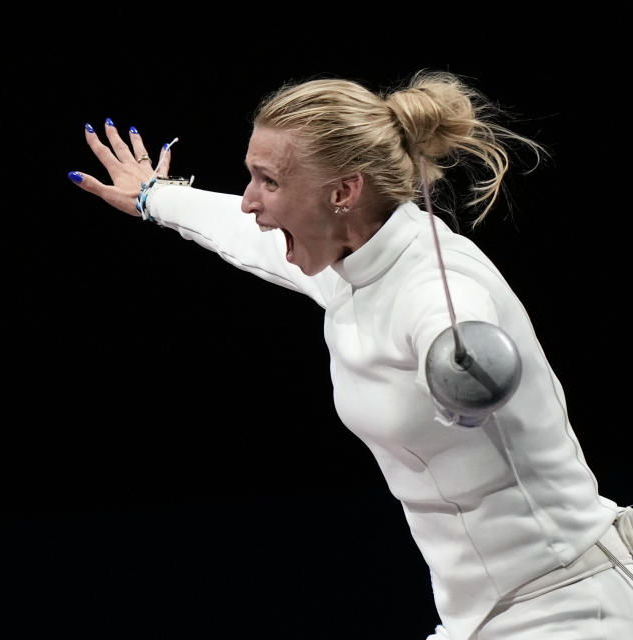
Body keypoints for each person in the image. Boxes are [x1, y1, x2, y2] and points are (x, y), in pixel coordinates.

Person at [67, 70, 633, 639]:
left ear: (342, 193)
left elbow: (457, 324)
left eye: (268, 181)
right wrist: (153, 196)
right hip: (481, 617)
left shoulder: (431, 282)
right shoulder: (346, 265)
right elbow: (244, 238)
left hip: (572, 604)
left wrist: (461, 367)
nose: (248, 202)